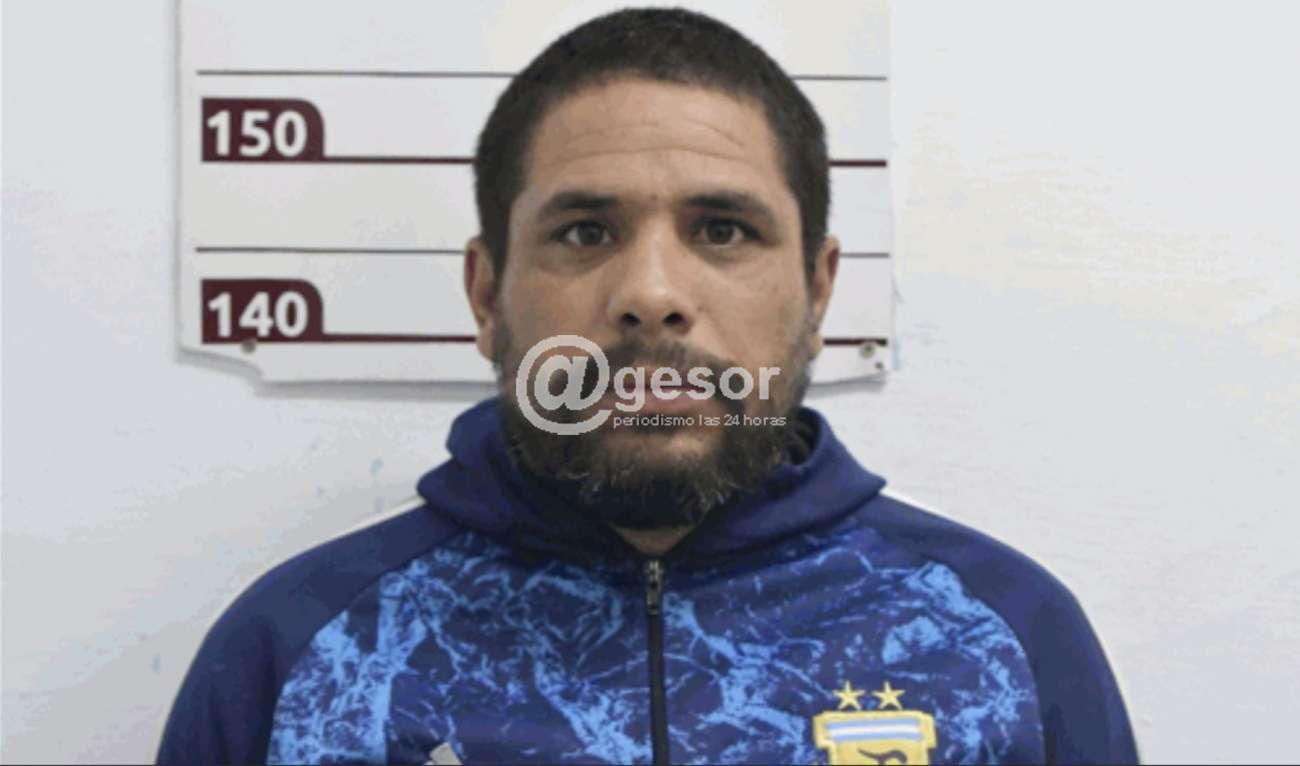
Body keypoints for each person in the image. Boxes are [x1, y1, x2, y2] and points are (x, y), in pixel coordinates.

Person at [157, 8, 1138, 765]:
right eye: (585, 231)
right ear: (488, 294)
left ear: (817, 291)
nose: (652, 295)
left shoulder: (1000, 634)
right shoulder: (299, 648)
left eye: (723, 230)